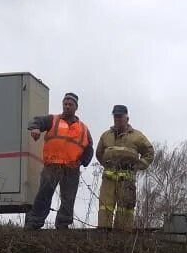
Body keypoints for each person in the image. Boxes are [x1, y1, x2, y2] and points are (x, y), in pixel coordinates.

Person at [24, 92, 93, 230]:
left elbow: (89, 148)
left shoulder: (84, 128)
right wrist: (36, 128)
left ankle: (63, 225)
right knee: (43, 195)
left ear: (76, 107)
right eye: (65, 104)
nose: (67, 106)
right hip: (52, 166)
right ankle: (34, 223)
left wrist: (82, 162)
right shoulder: (52, 120)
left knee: (69, 198)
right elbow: (35, 121)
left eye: (70, 104)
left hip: (71, 168)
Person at [95, 104, 154, 231]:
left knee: (126, 209)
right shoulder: (106, 135)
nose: (117, 119)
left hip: (127, 182)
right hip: (108, 181)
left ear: (127, 118)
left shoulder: (137, 136)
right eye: (115, 117)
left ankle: (123, 235)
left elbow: (149, 153)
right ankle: (103, 233)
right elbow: (99, 153)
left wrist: (138, 166)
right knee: (105, 206)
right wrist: (107, 165)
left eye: (120, 117)